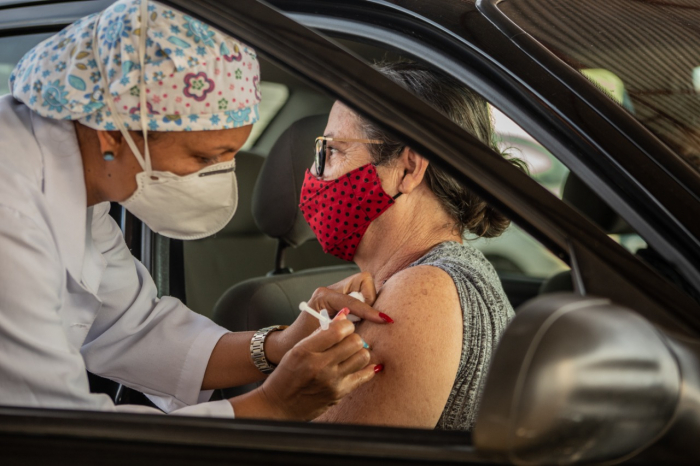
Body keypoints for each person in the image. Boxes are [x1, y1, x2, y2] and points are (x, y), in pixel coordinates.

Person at [0, 0, 392, 419]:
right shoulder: (11, 214)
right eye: (204, 158)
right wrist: (273, 404)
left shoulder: (79, 196)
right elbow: (52, 430)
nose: (217, 180)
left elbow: (136, 331)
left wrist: (281, 343)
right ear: (112, 133)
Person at [299, 62, 519, 430]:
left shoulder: (422, 292)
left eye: (332, 150)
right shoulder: (456, 271)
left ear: (408, 168)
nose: (315, 174)